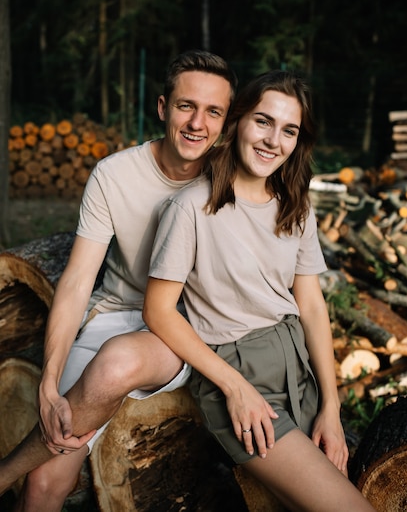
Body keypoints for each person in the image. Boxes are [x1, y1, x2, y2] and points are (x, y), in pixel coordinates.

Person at [0, 49, 237, 512]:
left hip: (184, 330)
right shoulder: (114, 173)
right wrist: (49, 383)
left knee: (115, 364)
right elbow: (76, 282)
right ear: (163, 107)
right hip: (114, 315)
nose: (197, 123)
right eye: (187, 106)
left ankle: (5, 469)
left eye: (214, 112)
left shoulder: (230, 181)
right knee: (44, 483)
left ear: (226, 123)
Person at [143, 70, 377, 511]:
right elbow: (158, 311)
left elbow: (310, 303)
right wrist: (235, 387)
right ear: (237, 123)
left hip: (299, 369)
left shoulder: (295, 205)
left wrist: (331, 405)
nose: (274, 140)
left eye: (289, 130)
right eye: (263, 121)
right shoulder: (191, 207)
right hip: (239, 373)